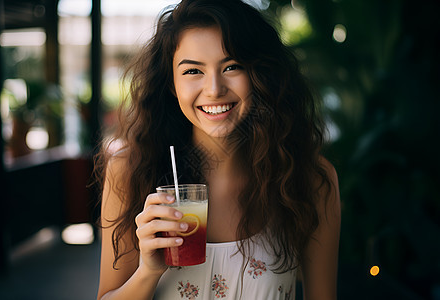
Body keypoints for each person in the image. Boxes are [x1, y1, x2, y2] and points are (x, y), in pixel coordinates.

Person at [96, 0, 341, 299]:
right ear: (172, 84)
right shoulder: (130, 172)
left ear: (260, 75)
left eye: (232, 66)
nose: (214, 88)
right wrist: (148, 270)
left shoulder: (309, 179)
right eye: (192, 71)